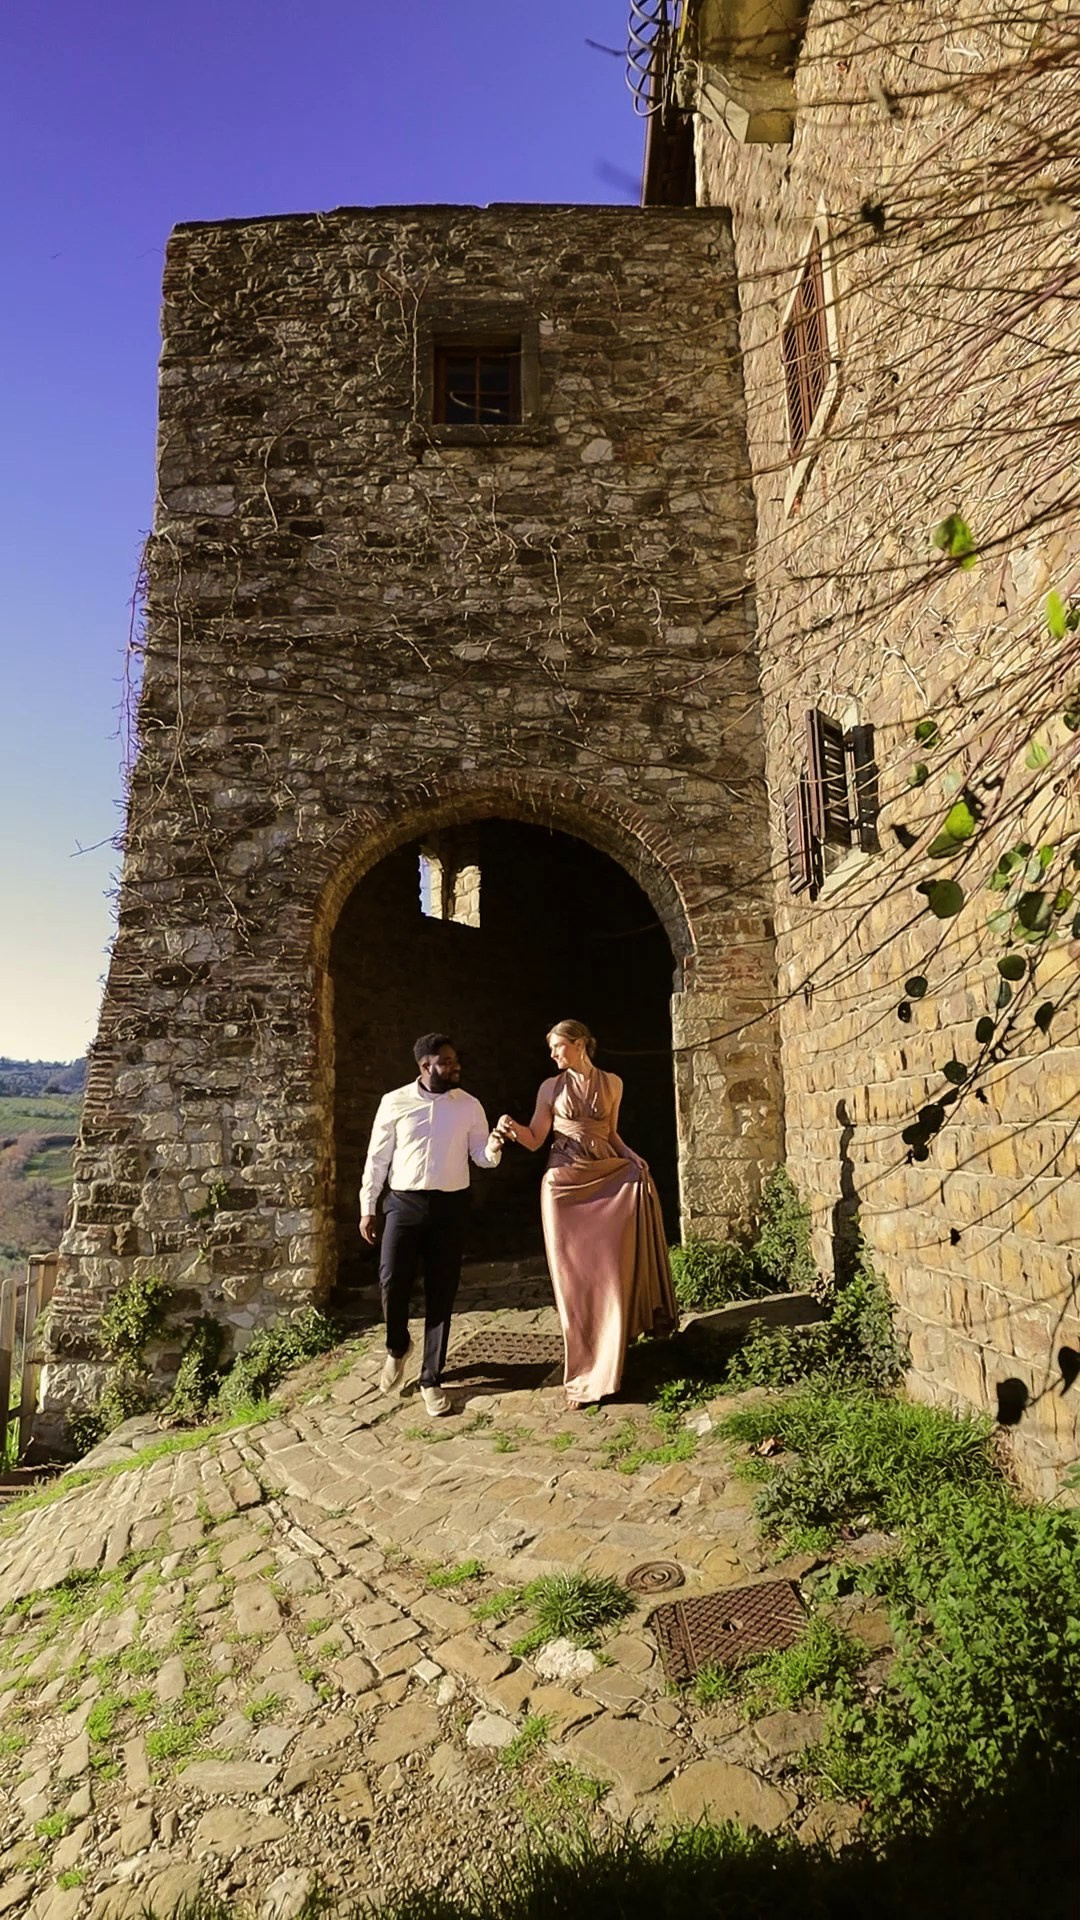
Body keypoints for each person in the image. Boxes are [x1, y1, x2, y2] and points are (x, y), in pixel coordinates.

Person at [497, 1019, 677, 1409]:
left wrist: (632, 1158)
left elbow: (610, 1133)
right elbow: (534, 1141)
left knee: (610, 1270)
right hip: (562, 1183)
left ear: (579, 1044)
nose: (552, 1055)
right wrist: (510, 1128)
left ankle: (614, 1354)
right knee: (573, 1279)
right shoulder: (551, 1087)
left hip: (606, 1174)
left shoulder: (613, 1083)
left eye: (558, 1047)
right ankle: (582, 1376)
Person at [360, 1033, 504, 1416]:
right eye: (447, 1061)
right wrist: (367, 1206)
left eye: (456, 1059)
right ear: (425, 1066)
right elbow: (377, 1158)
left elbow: (481, 1157)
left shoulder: (469, 1105)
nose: (455, 1066)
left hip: (451, 1206)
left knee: (443, 1291)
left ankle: (431, 1377)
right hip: (403, 1204)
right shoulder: (394, 1102)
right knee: (392, 1281)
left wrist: (494, 1147)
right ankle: (396, 1347)